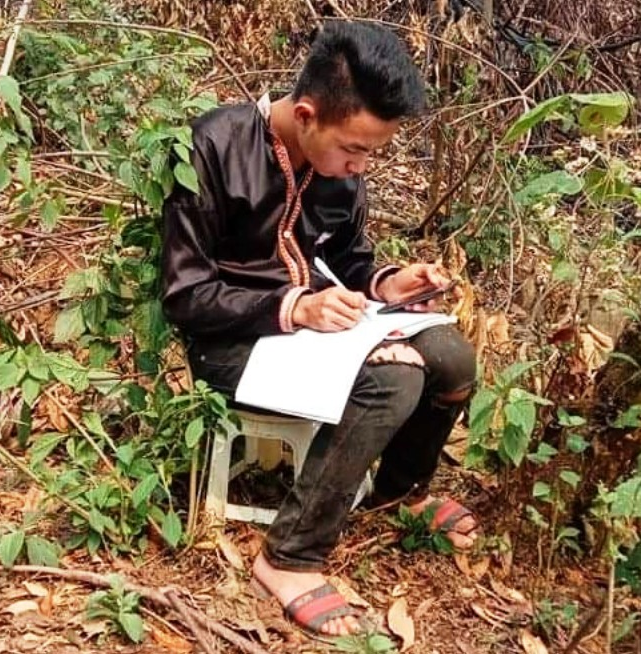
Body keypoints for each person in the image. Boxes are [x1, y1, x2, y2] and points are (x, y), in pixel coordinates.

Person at [161, 21, 478, 638]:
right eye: (354, 150)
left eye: (371, 154)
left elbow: (348, 261)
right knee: (392, 383)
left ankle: (400, 490)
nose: (360, 166)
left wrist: (386, 283)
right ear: (305, 115)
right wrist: (293, 307)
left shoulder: (339, 168)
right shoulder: (214, 146)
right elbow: (185, 295)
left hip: (315, 335)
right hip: (231, 343)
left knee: (451, 355)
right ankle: (289, 557)